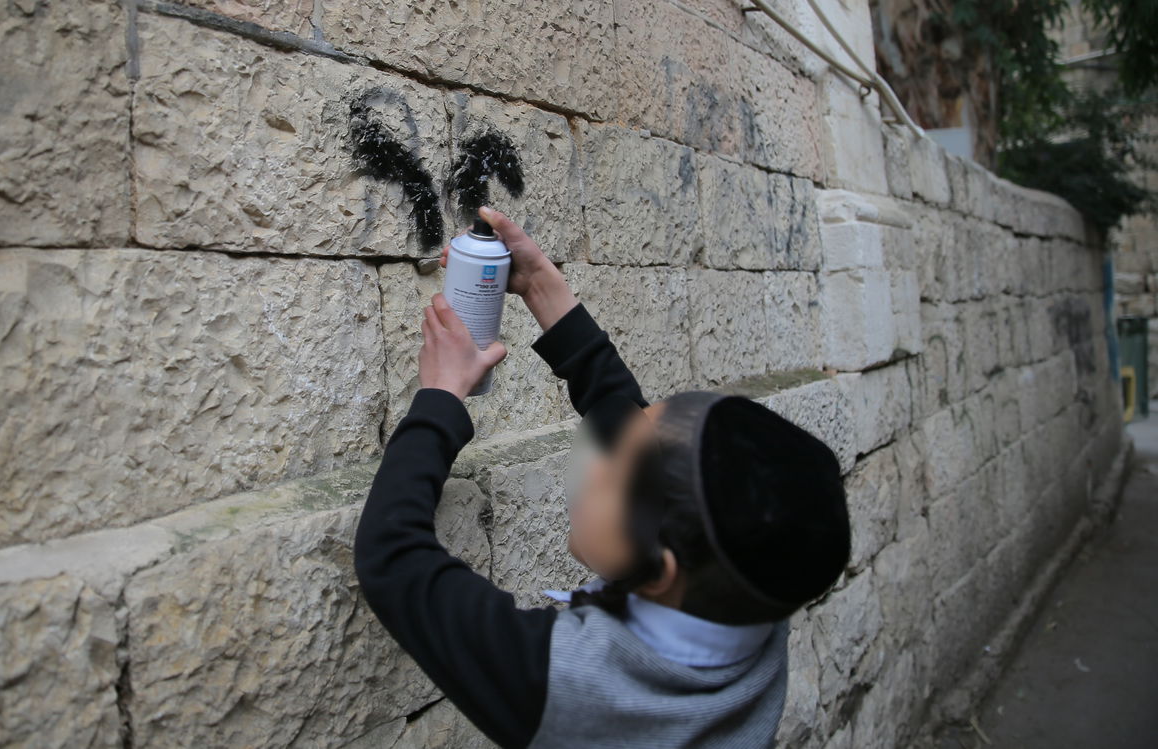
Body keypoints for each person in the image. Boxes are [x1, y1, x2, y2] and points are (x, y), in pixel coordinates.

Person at [353, 205, 851, 749]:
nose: (594, 459)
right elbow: (635, 434)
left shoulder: (573, 682)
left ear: (658, 568)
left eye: (609, 470)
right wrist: (541, 284)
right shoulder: (749, 589)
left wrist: (440, 399)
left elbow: (392, 559)